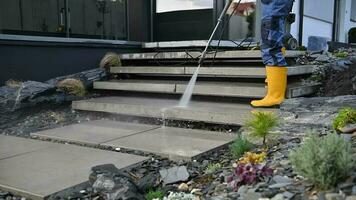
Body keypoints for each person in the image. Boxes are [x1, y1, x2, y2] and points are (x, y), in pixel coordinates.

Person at [231, 0, 294, 107]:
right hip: (274, 4)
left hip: (276, 4)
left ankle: (275, 96)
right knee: (272, 40)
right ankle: (273, 85)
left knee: (270, 45)